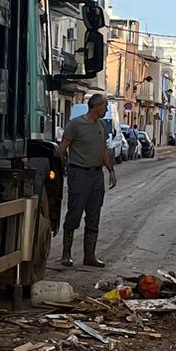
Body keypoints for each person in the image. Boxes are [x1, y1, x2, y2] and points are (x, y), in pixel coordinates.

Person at [57, 92, 117, 269]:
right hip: (79, 174)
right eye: (104, 106)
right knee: (74, 213)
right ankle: (66, 254)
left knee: (94, 215)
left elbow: (104, 150)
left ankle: (89, 256)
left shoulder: (101, 126)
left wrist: (111, 170)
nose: (106, 109)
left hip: (96, 176)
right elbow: (63, 148)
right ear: (96, 106)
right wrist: (62, 169)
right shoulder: (76, 125)